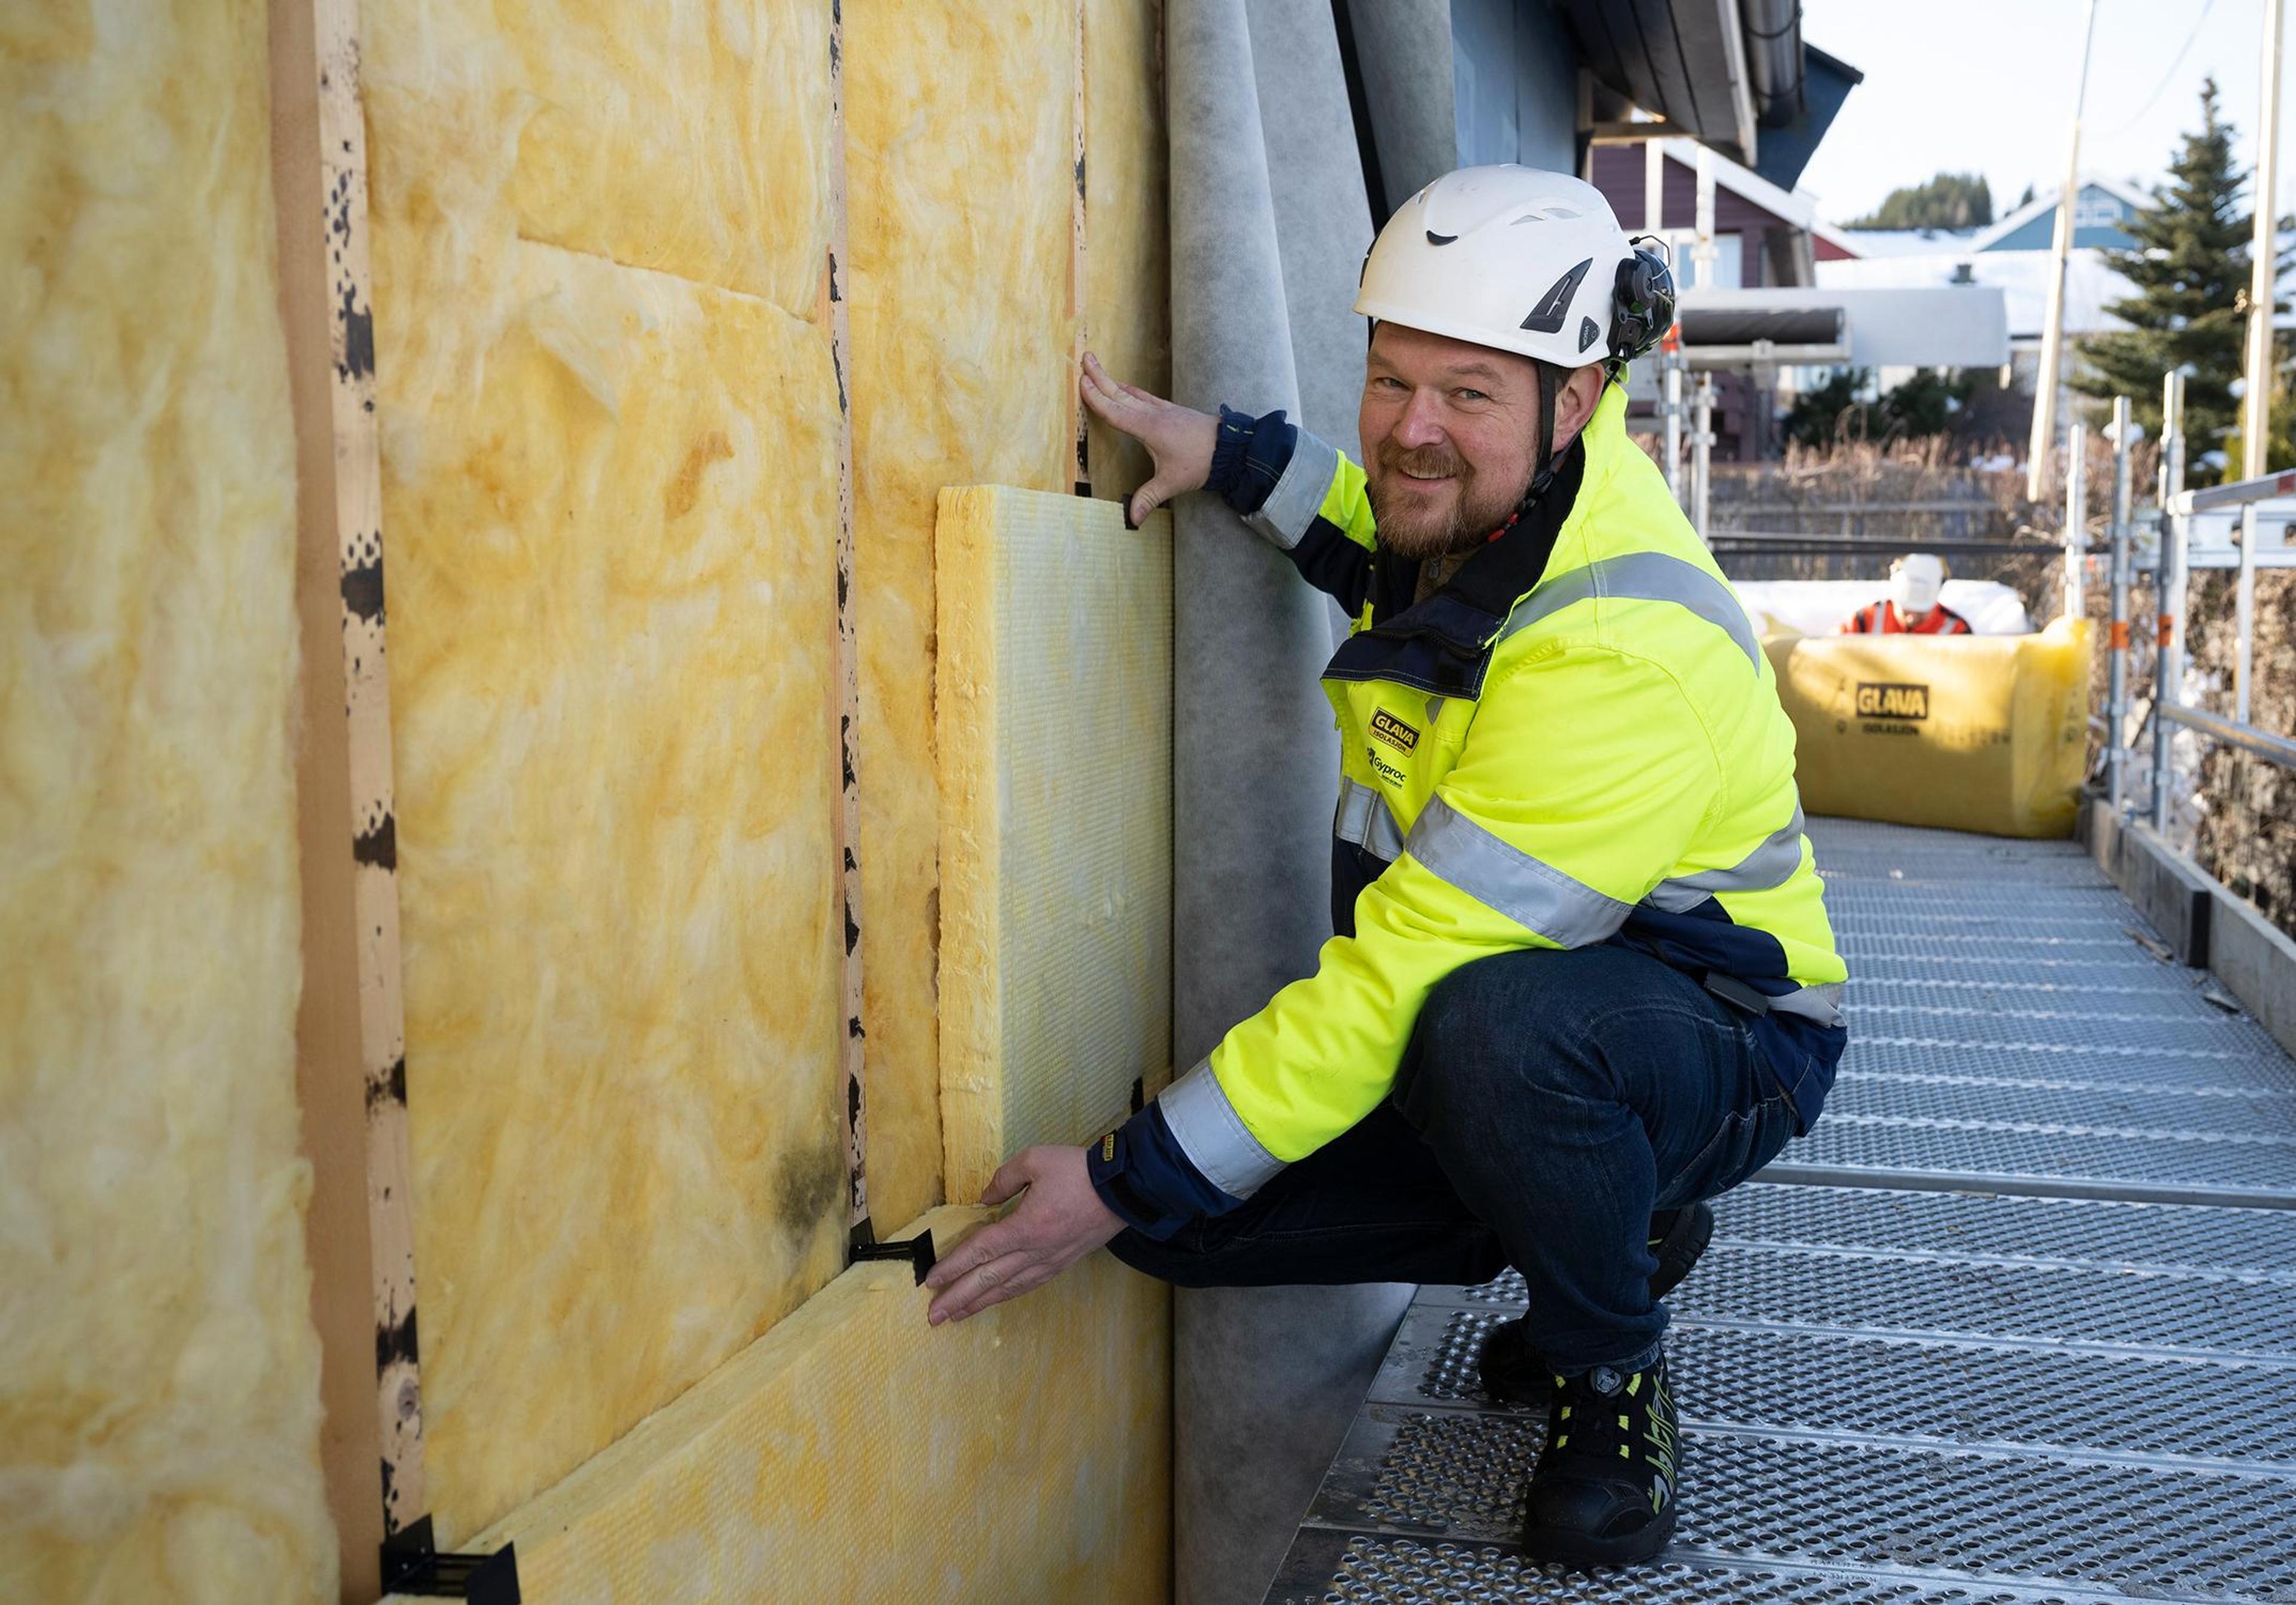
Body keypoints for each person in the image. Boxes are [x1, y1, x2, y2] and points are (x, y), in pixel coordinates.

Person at [921, 166, 1847, 1569]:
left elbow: (1408, 975)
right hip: (1500, 1013)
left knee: (1482, 1045)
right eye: (1388, 376)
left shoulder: (1616, 647)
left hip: (1718, 1030)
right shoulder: (1486, 514)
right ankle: (1608, 1218)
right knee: (1191, 1232)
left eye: (1467, 393)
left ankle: (1611, 1368)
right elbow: (1372, 525)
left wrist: (1120, 1172)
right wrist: (1227, 455)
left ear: (1576, 401)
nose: (1414, 429)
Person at [1840, 553, 1973, 634]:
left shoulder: (1956, 631)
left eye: (1921, 613)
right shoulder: (1863, 622)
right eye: (1906, 611)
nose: (1911, 618)